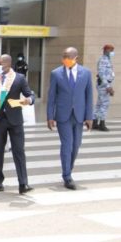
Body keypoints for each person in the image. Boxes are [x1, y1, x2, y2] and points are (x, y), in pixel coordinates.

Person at [0, 54, 35, 194]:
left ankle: (23, 183)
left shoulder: (19, 78)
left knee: (19, 151)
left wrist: (28, 100)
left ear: (8, 64)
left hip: (15, 120)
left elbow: (30, 95)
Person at [47, 47, 93, 190]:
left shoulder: (86, 73)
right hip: (63, 116)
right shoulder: (56, 74)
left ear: (76, 58)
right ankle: (67, 176)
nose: (65, 59)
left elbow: (89, 96)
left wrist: (89, 116)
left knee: (76, 145)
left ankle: (68, 169)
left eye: (68, 56)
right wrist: (50, 116)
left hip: (79, 115)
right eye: (63, 56)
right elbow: (51, 97)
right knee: (67, 145)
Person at [93, 44, 115, 131]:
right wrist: (108, 86)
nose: (113, 52)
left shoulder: (107, 59)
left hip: (104, 84)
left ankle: (95, 122)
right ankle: (102, 123)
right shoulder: (103, 60)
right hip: (104, 85)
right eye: (111, 50)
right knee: (104, 104)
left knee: (99, 104)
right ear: (107, 50)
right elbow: (102, 74)